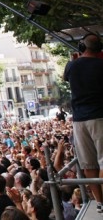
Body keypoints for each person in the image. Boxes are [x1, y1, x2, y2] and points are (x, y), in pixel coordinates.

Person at [63, 33, 103, 213]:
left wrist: (75, 59)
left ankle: (100, 202)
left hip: (79, 121)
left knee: (89, 165)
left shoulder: (71, 66)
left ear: (81, 47)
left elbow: (66, 76)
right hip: (100, 117)